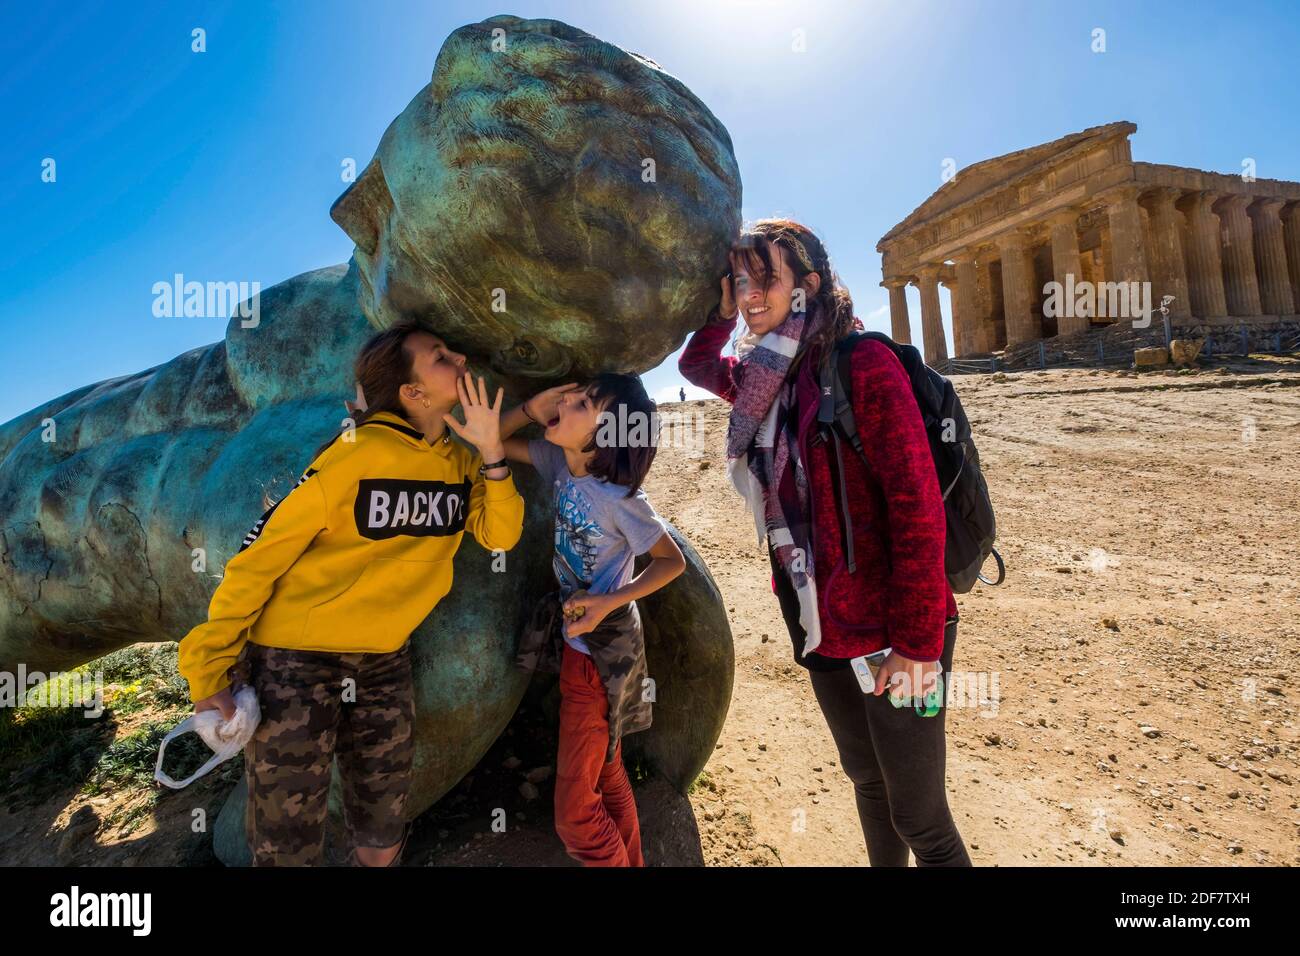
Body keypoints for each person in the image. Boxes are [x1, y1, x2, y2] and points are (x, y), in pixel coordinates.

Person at [178, 320, 525, 866]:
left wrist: (493, 454)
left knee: (384, 822)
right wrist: (208, 672)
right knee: (286, 840)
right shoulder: (353, 454)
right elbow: (256, 561)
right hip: (295, 662)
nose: (458, 357)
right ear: (413, 393)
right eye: (439, 356)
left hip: (386, 660)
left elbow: (499, 534)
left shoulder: (460, 463)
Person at [679, 218, 971, 866]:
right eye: (740, 281)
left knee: (923, 820)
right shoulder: (766, 376)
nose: (751, 294)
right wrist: (721, 311)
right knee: (868, 782)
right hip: (823, 624)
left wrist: (919, 647)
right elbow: (697, 363)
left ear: (808, 285)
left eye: (767, 280)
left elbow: (918, 512)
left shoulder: (861, 364)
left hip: (898, 630)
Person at [503, 373, 685, 866]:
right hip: (590, 647)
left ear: (605, 435)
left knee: (575, 816)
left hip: (598, 655)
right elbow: (490, 437)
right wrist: (531, 407)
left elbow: (672, 562)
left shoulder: (621, 499)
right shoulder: (560, 466)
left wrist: (608, 601)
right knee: (607, 772)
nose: (568, 400)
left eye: (583, 403)